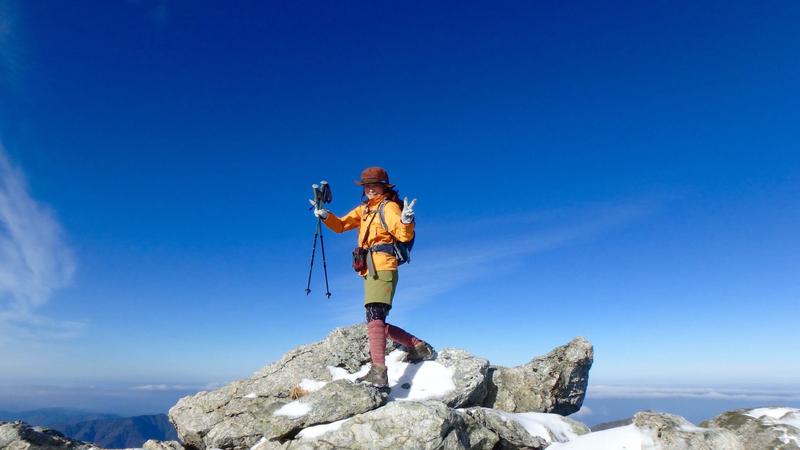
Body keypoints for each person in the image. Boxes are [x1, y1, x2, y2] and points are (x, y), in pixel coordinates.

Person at [310, 167, 433, 387]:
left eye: (374, 185)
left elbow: (402, 233)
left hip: (384, 266)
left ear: (384, 186)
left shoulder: (390, 207)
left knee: (375, 314)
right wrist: (326, 215)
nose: (369, 189)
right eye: (366, 185)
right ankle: (417, 345)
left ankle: (379, 372)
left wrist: (406, 220)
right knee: (375, 320)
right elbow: (341, 226)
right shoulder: (364, 210)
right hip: (369, 269)